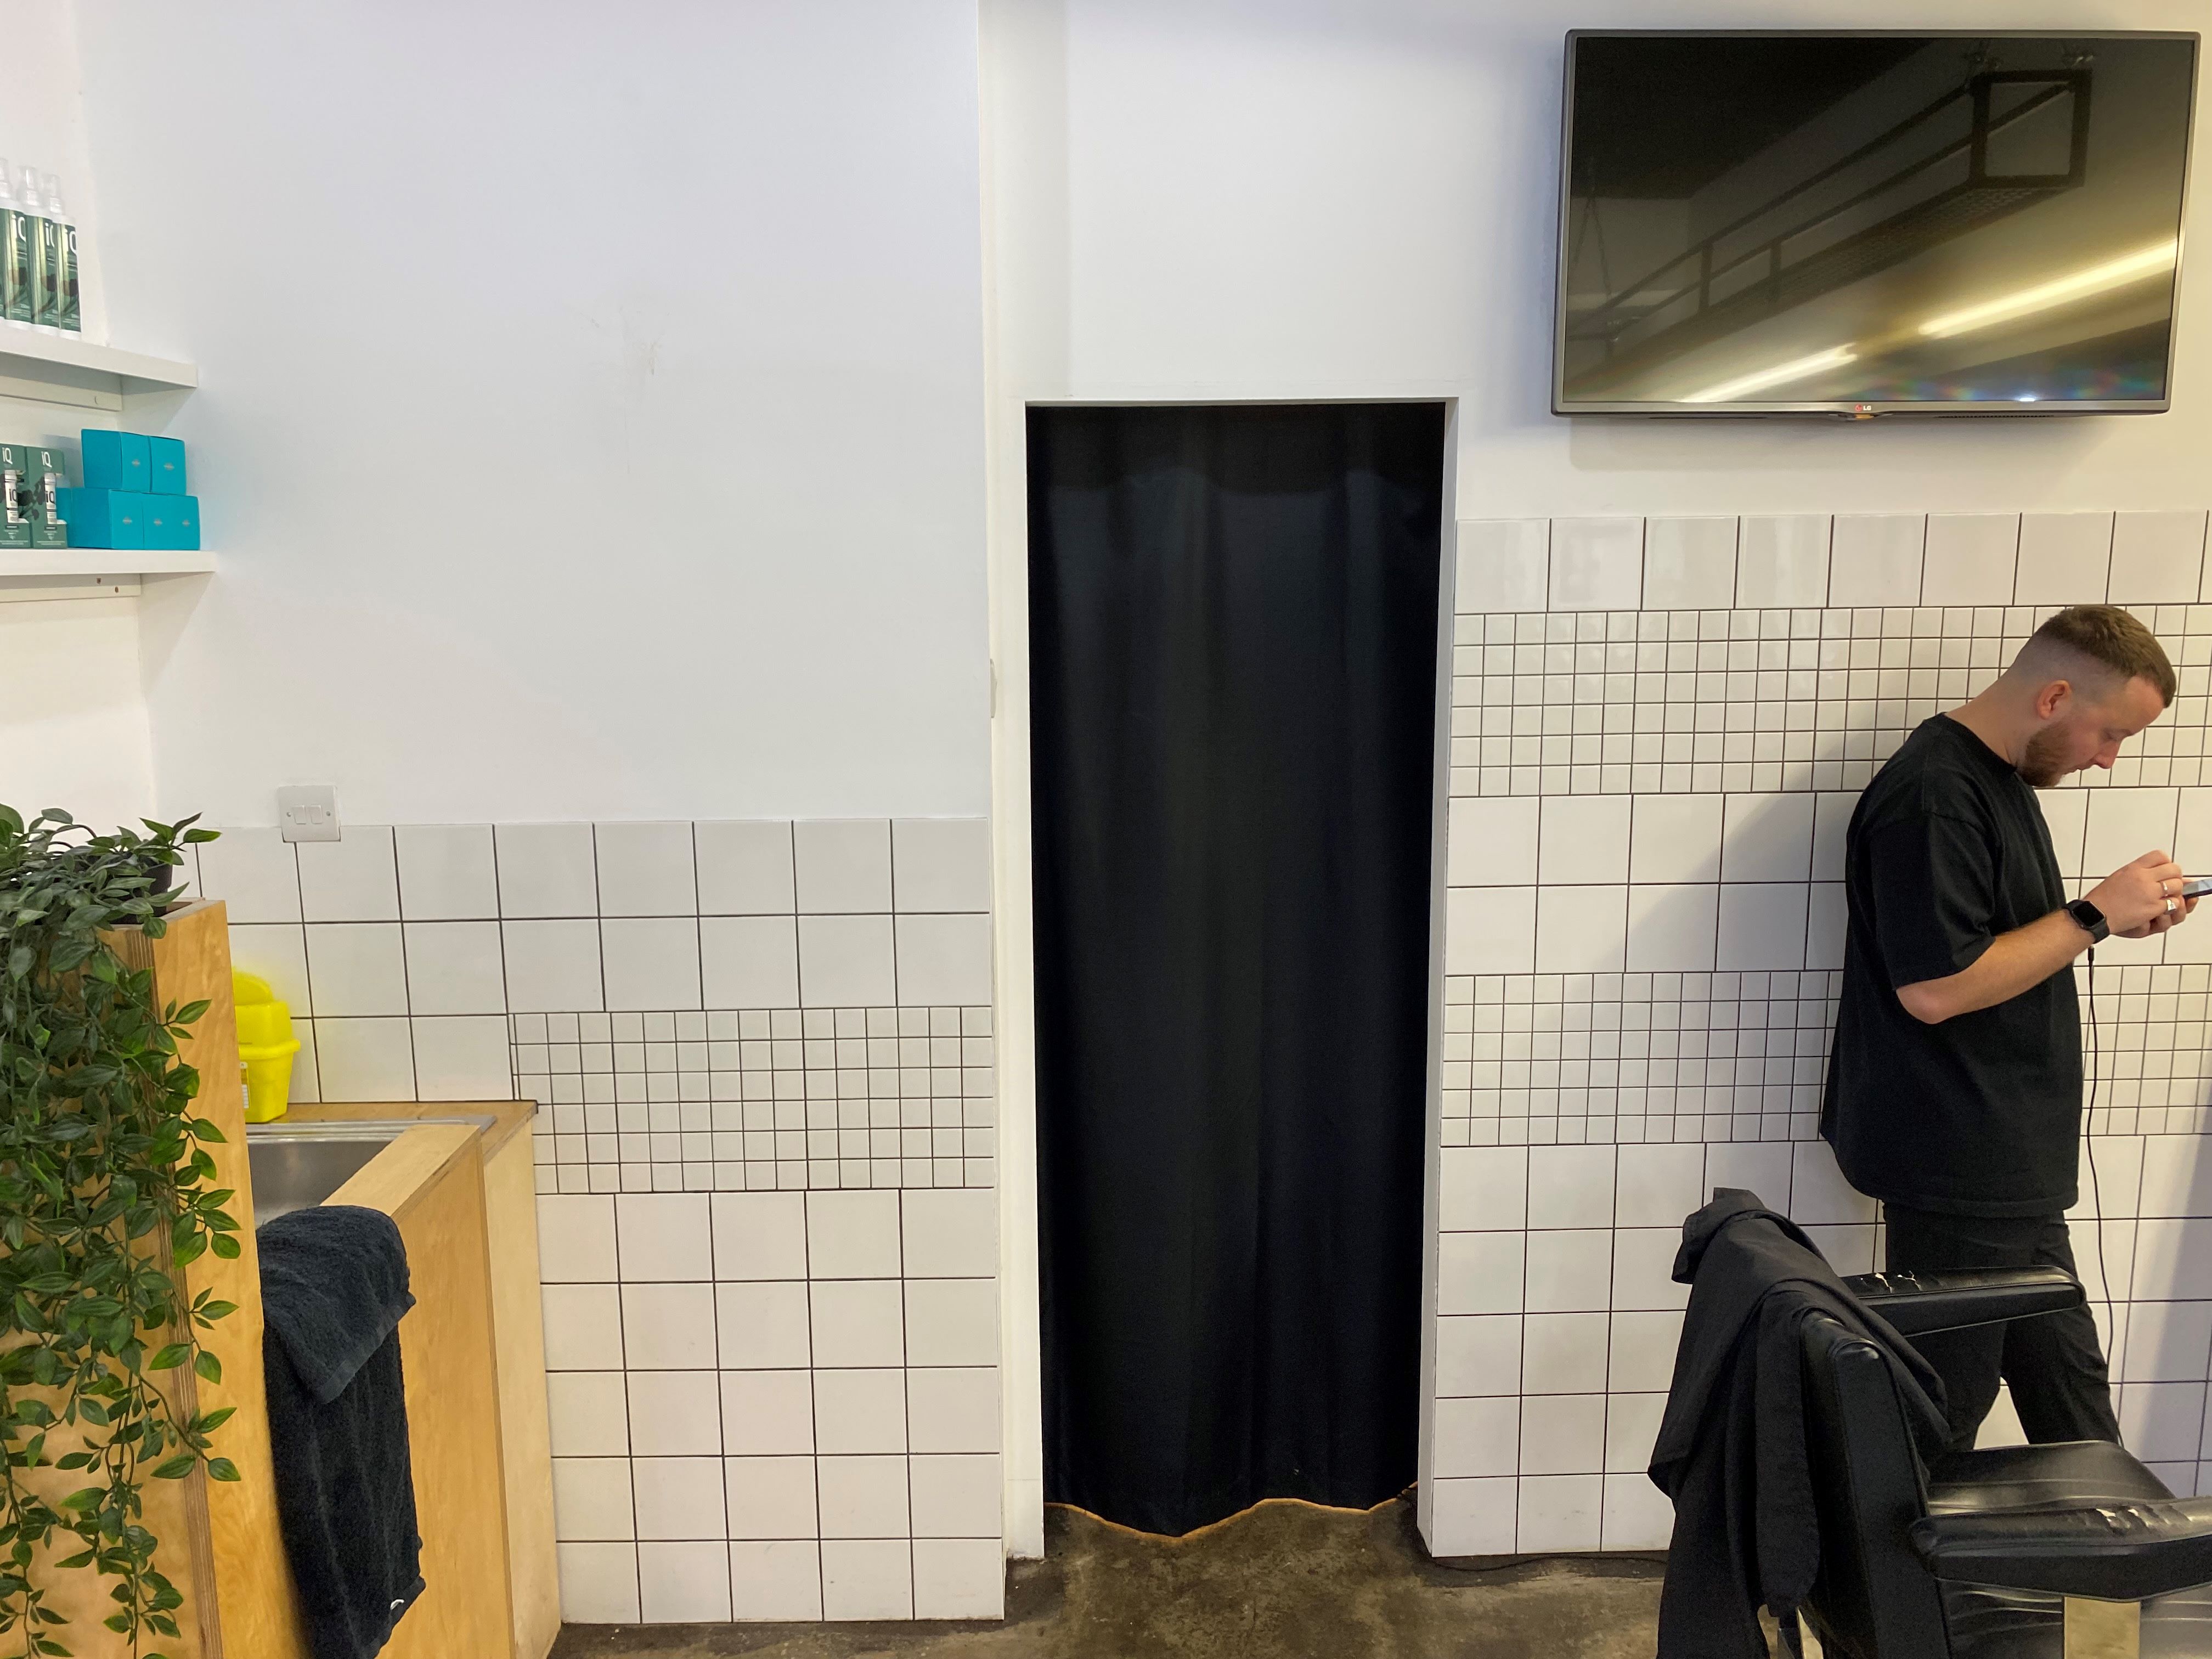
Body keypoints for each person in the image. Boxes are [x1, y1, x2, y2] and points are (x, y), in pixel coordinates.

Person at [1823, 603, 2193, 1453]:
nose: (2108, 758)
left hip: (2006, 1163)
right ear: (2055, 697)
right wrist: (2094, 915)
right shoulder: (1935, 798)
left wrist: (2106, 921)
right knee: (1939, 1419)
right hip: (1961, 1163)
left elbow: (2002, 945)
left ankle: (2112, 1554)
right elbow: (1935, 988)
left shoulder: (1995, 779)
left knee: (2075, 1415)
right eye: (2111, 733)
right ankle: (1879, 1552)